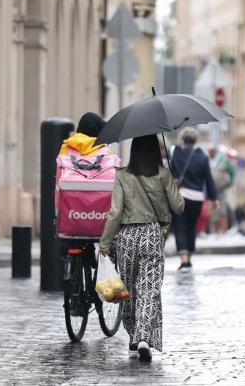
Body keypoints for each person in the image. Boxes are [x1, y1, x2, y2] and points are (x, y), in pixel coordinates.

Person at [98, 134, 184, 362]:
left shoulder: (122, 175)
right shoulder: (163, 174)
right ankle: (144, 336)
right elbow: (179, 206)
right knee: (149, 288)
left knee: (129, 290)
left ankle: (134, 337)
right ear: (155, 149)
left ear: (133, 150)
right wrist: (173, 185)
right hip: (152, 235)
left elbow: (115, 213)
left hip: (127, 237)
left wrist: (105, 242)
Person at [170, 128, 219, 273]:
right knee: (191, 227)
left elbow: (170, 174)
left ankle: (184, 261)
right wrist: (214, 198)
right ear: (195, 140)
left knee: (180, 227)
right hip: (197, 198)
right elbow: (208, 179)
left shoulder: (175, 152)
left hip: (180, 196)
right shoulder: (202, 156)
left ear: (182, 139)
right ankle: (189, 258)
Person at [208, 146, 236, 234]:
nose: (210, 154)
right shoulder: (209, 160)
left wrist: (229, 183)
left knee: (222, 210)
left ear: (215, 152)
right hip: (211, 189)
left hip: (221, 189)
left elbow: (232, 172)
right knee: (214, 211)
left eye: (211, 152)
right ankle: (216, 231)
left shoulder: (224, 160)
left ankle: (224, 231)